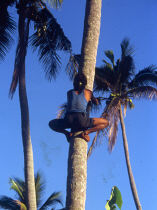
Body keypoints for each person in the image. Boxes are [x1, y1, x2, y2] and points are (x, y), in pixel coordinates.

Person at [49, 73, 109, 142]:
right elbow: (96, 103)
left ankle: (67, 133)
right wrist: (95, 100)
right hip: (81, 120)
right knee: (105, 122)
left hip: (69, 119)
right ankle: (86, 132)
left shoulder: (69, 92)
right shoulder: (88, 92)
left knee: (51, 124)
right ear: (85, 82)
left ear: (74, 82)